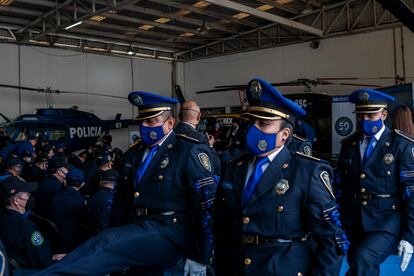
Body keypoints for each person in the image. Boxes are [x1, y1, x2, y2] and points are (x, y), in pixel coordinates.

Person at [31, 91, 216, 275]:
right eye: (141, 121)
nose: (144, 126)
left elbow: (207, 206)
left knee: (107, 244)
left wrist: (201, 254)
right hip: (137, 227)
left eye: (151, 121)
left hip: (171, 230)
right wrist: (113, 232)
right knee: (102, 241)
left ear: (170, 123)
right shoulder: (134, 154)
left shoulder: (186, 150)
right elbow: (120, 202)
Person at [214, 78, 347, 275]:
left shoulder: (307, 172)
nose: (253, 129)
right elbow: (221, 226)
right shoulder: (234, 168)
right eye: (252, 122)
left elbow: (331, 240)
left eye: (264, 124)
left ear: (284, 134)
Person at [337, 88, 414, 275]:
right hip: (354, 220)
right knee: (360, 262)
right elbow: (340, 187)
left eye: (371, 115)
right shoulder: (349, 145)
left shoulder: (401, 145)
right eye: (361, 115)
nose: (365, 120)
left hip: (386, 221)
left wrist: (410, 235)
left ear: (384, 114)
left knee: (364, 259)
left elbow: (411, 193)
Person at [0, 176, 54, 269]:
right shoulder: (27, 229)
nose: (30, 196)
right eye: (27, 194)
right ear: (16, 201)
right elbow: (44, 263)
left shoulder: (3, 218)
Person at [48, 168, 86, 253]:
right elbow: (83, 219)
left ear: (65, 181)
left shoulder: (55, 194)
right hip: (68, 241)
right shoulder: (79, 200)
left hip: (53, 236)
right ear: (82, 184)